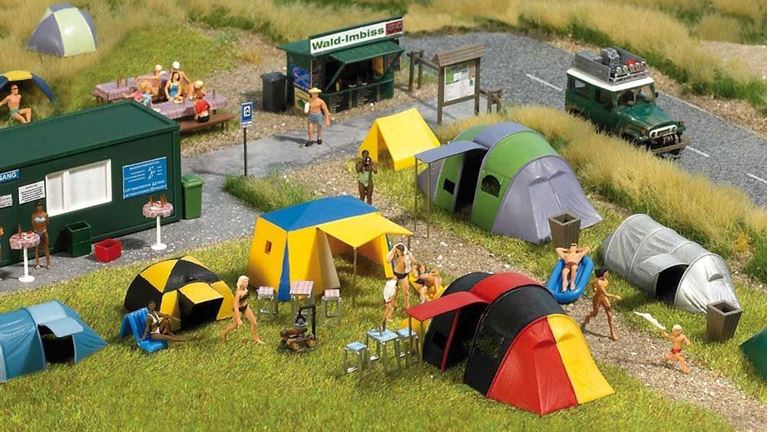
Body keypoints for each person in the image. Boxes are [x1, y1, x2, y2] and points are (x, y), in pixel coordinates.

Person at [220, 276, 265, 344]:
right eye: (245, 282)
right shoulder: (238, 293)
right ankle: (224, 333)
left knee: (254, 323)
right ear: (241, 283)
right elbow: (236, 307)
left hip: (245, 307)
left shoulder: (245, 289)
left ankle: (256, 339)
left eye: (247, 282)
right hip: (238, 309)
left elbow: (245, 298)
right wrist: (238, 319)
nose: (247, 283)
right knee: (234, 326)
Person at [582, 267, 620, 341]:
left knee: (610, 314)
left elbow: (593, 282)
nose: (608, 274)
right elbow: (606, 293)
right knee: (595, 313)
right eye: (606, 273)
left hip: (604, 298)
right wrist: (615, 296)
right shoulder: (599, 283)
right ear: (602, 274)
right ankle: (588, 317)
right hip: (597, 299)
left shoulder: (604, 280)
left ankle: (612, 332)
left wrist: (594, 288)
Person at [386, 243, 416, 309]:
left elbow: (414, 261)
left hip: (404, 275)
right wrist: (393, 251)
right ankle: (393, 304)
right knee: (394, 290)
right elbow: (387, 261)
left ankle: (407, 306)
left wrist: (408, 254)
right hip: (396, 274)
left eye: (401, 252)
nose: (400, 253)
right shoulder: (394, 254)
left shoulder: (406, 255)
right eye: (399, 252)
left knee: (406, 292)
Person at [31, 202, 50, 269]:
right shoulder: (33, 215)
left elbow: (47, 222)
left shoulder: (45, 214)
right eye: (37, 206)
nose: (39, 207)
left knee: (46, 248)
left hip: (44, 232)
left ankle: (48, 263)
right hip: (37, 233)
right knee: (37, 249)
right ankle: (37, 263)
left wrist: (43, 229)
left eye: (40, 205)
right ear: (36, 207)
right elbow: (33, 224)